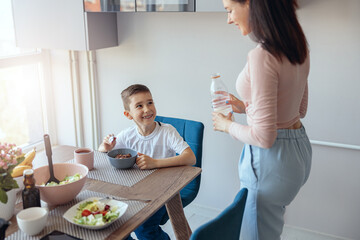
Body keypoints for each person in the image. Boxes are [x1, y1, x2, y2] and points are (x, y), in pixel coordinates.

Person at [212, 0, 312, 239]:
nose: (229, 19)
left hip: (271, 162)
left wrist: (226, 125)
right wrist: (247, 105)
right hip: (298, 152)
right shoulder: (298, 45)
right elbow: (299, 108)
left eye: (229, 10)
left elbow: (264, 137)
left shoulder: (262, 56)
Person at [98, 84, 196, 240]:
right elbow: (104, 156)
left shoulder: (167, 131)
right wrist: (104, 147)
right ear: (128, 114)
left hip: (163, 194)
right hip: (135, 193)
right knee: (113, 224)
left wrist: (155, 163)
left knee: (144, 228)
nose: (147, 109)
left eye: (150, 102)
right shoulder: (127, 135)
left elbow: (191, 158)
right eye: (139, 106)